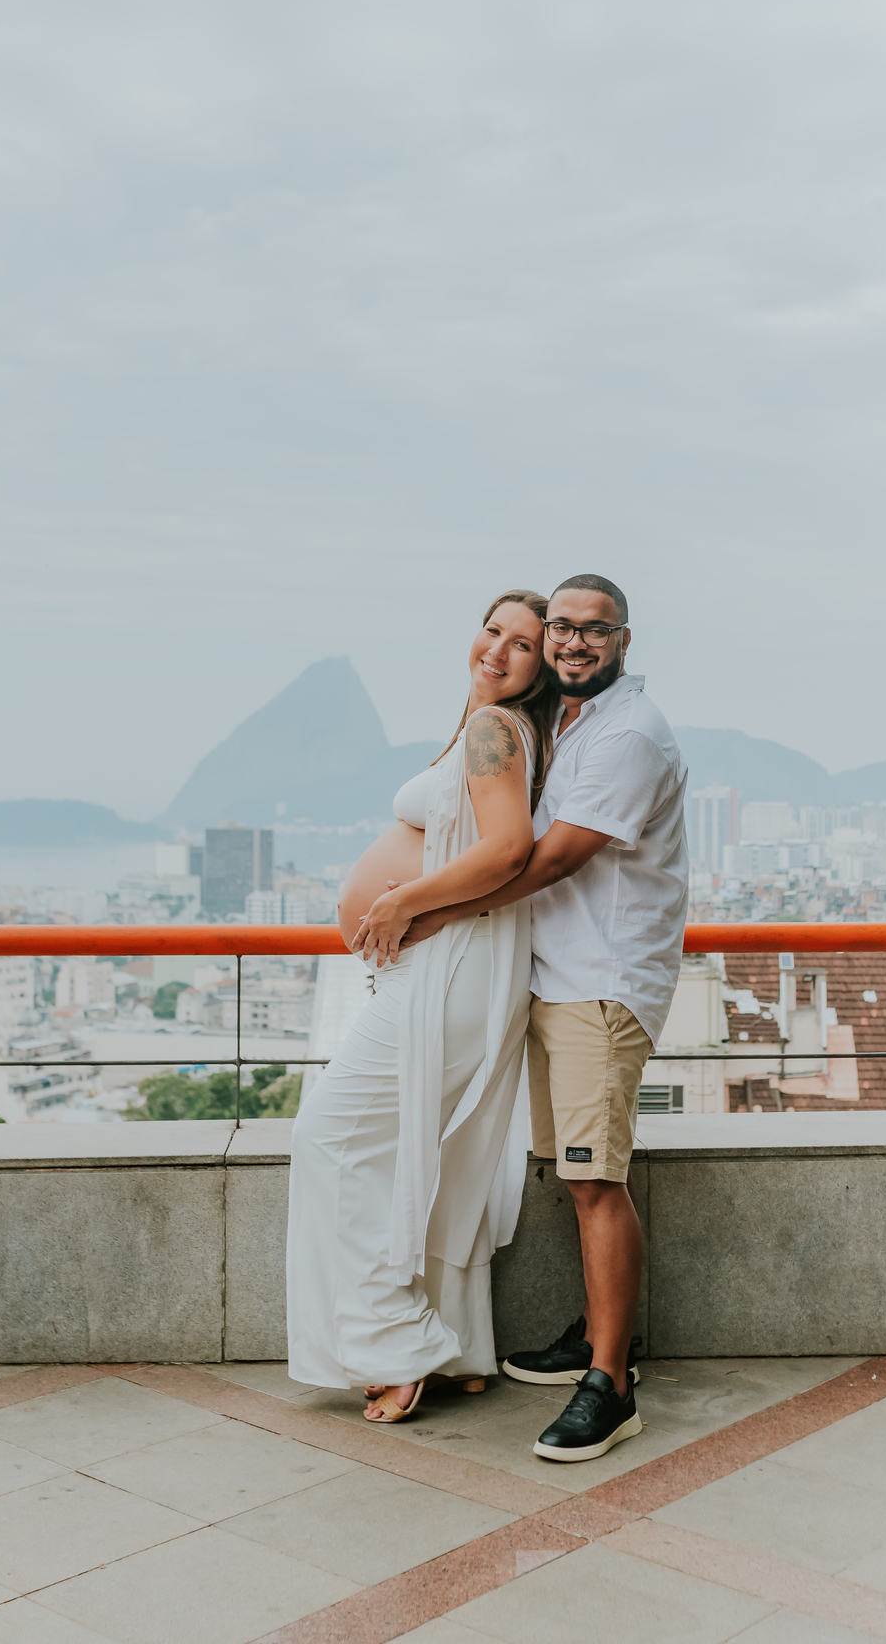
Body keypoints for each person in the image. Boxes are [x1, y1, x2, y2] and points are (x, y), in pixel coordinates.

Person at [397, 574, 688, 1462]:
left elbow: (556, 860)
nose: (572, 644)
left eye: (593, 632)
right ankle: (596, 1337)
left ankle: (612, 1384)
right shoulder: (568, 723)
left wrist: (439, 910)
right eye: (560, 628)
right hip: (556, 981)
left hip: (600, 986)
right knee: (572, 1173)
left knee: (597, 1180)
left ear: (624, 643)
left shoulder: (629, 734)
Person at [286, 590, 558, 1422]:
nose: (499, 650)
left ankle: (396, 1340)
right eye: (493, 630)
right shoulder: (495, 727)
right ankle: (458, 1347)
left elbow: (510, 850)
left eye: (523, 645)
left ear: (544, 667)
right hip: (455, 973)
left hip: (449, 974)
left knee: (330, 1138)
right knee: (426, 1160)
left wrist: (407, 908)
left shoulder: (492, 732)